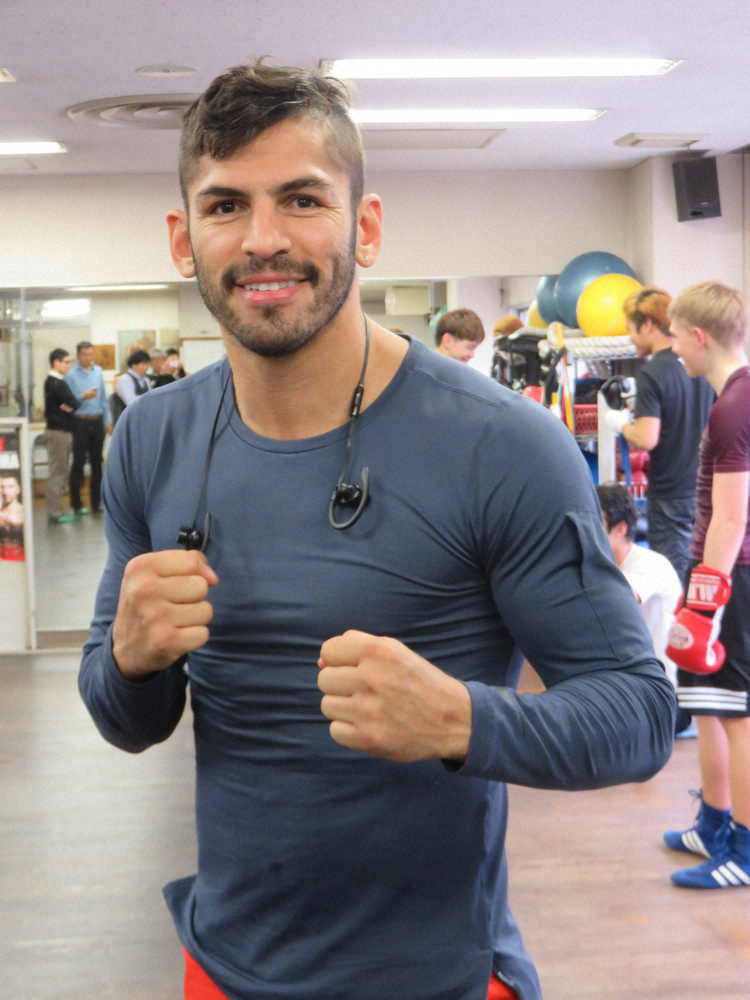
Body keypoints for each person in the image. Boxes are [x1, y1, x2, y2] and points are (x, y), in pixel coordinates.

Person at [78, 61, 674, 1000]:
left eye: (302, 199)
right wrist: (130, 659)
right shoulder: (154, 439)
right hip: (222, 965)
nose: (263, 239)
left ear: (366, 226)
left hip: (439, 978)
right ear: (184, 239)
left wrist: (462, 719)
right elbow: (125, 721)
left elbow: (638, 714)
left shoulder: (502, 445)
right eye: (226, 205)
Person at [662, 281, 750, 890]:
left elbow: (731, 516)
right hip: (719, 571)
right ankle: (714, 824)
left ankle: (743, 850)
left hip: (731, 574)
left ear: (698, 336)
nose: (673, 349)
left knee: (738, 716)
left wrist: (704, 604)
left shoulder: (732, 407)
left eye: (674, 336)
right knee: (710, 707)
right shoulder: (731, 399)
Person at [606, 287, 713, 587]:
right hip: (705, 488)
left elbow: (646, 438)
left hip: (670, 492)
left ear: (648, 325)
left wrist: (620, 424)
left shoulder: (653, 371)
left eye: (631, 328)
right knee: (703, 575)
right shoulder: (701, 365)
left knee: (672, 581)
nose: (630, 337)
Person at [597, 483, 683, 675]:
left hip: (657, 680)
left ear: (620, 529)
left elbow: (617, 599)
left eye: (597, 524)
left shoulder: (650, 564)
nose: (590, 532)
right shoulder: (607, 565)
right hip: (626, 675)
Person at [65, 340, 109, 516]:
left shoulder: (98, 371)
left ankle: (97, 503)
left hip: (97, 421)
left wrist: (107, 421)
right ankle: (76, 504)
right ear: (78, 355)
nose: (88, 357)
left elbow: (104, 398)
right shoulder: (70, 375)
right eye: (84, 354)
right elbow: (67, 402)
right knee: (78, 462)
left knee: (98, 463)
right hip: (79, 422)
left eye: (91, 354)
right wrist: (83, 396)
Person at [43, 348, 80, 524]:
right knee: (58, 470)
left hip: (63, 430)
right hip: (58, 432)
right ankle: (54, 512)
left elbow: (71, 404)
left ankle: (56, 509)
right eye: (66, 362)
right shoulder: (54, 382)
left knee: (61, 470)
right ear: (56, 363)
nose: (68, 366)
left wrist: (68, 406)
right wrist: (68, 406)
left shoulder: (58, 382)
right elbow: (73, 402)